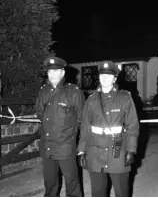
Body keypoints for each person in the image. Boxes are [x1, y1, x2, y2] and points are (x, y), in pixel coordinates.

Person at [78, 61, 140, 197]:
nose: (104, 77)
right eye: (102, 74)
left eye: (109, 75)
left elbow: (132, 126)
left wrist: (131, 150)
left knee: (121, 191)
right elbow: (85, 128)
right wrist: (81, 150)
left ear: (115, 78)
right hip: (95, 153)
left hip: (117, 153)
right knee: (98, 192)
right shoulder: (91, 100)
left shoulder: (124, 98)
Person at [35, 56, 85, 197]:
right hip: (48, 146)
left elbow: (82, 119)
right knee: (50, 184)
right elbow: (40, 113)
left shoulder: (73, 92)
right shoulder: (43, 91)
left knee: (72, 183)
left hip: (66, 147)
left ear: (62, 73)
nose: (52, 75)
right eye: (50, 72)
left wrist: (71, 136)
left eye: (55, 71)